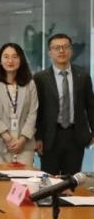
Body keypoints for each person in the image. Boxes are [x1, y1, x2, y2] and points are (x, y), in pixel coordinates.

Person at [34, 33, 94, 175]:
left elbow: (91, 107)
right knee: (49, 180)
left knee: (72, 180)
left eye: (65, 47)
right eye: (57, 48)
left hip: (75, 136)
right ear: (50, 53)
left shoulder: (83, 76)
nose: (61, 51)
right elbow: (37, 111)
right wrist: (38, 137)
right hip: (50, 137)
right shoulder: (40, 78)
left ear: (71, 51)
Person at [0, 43, 38, 167]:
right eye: (6, 57)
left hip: (24, 145)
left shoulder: (30, 84)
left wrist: (22, 140)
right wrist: (7, 137)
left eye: (15, 57)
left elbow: (33, 113)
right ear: (0, 61)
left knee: (24, 178)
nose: (10, 60)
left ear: (21, 60)